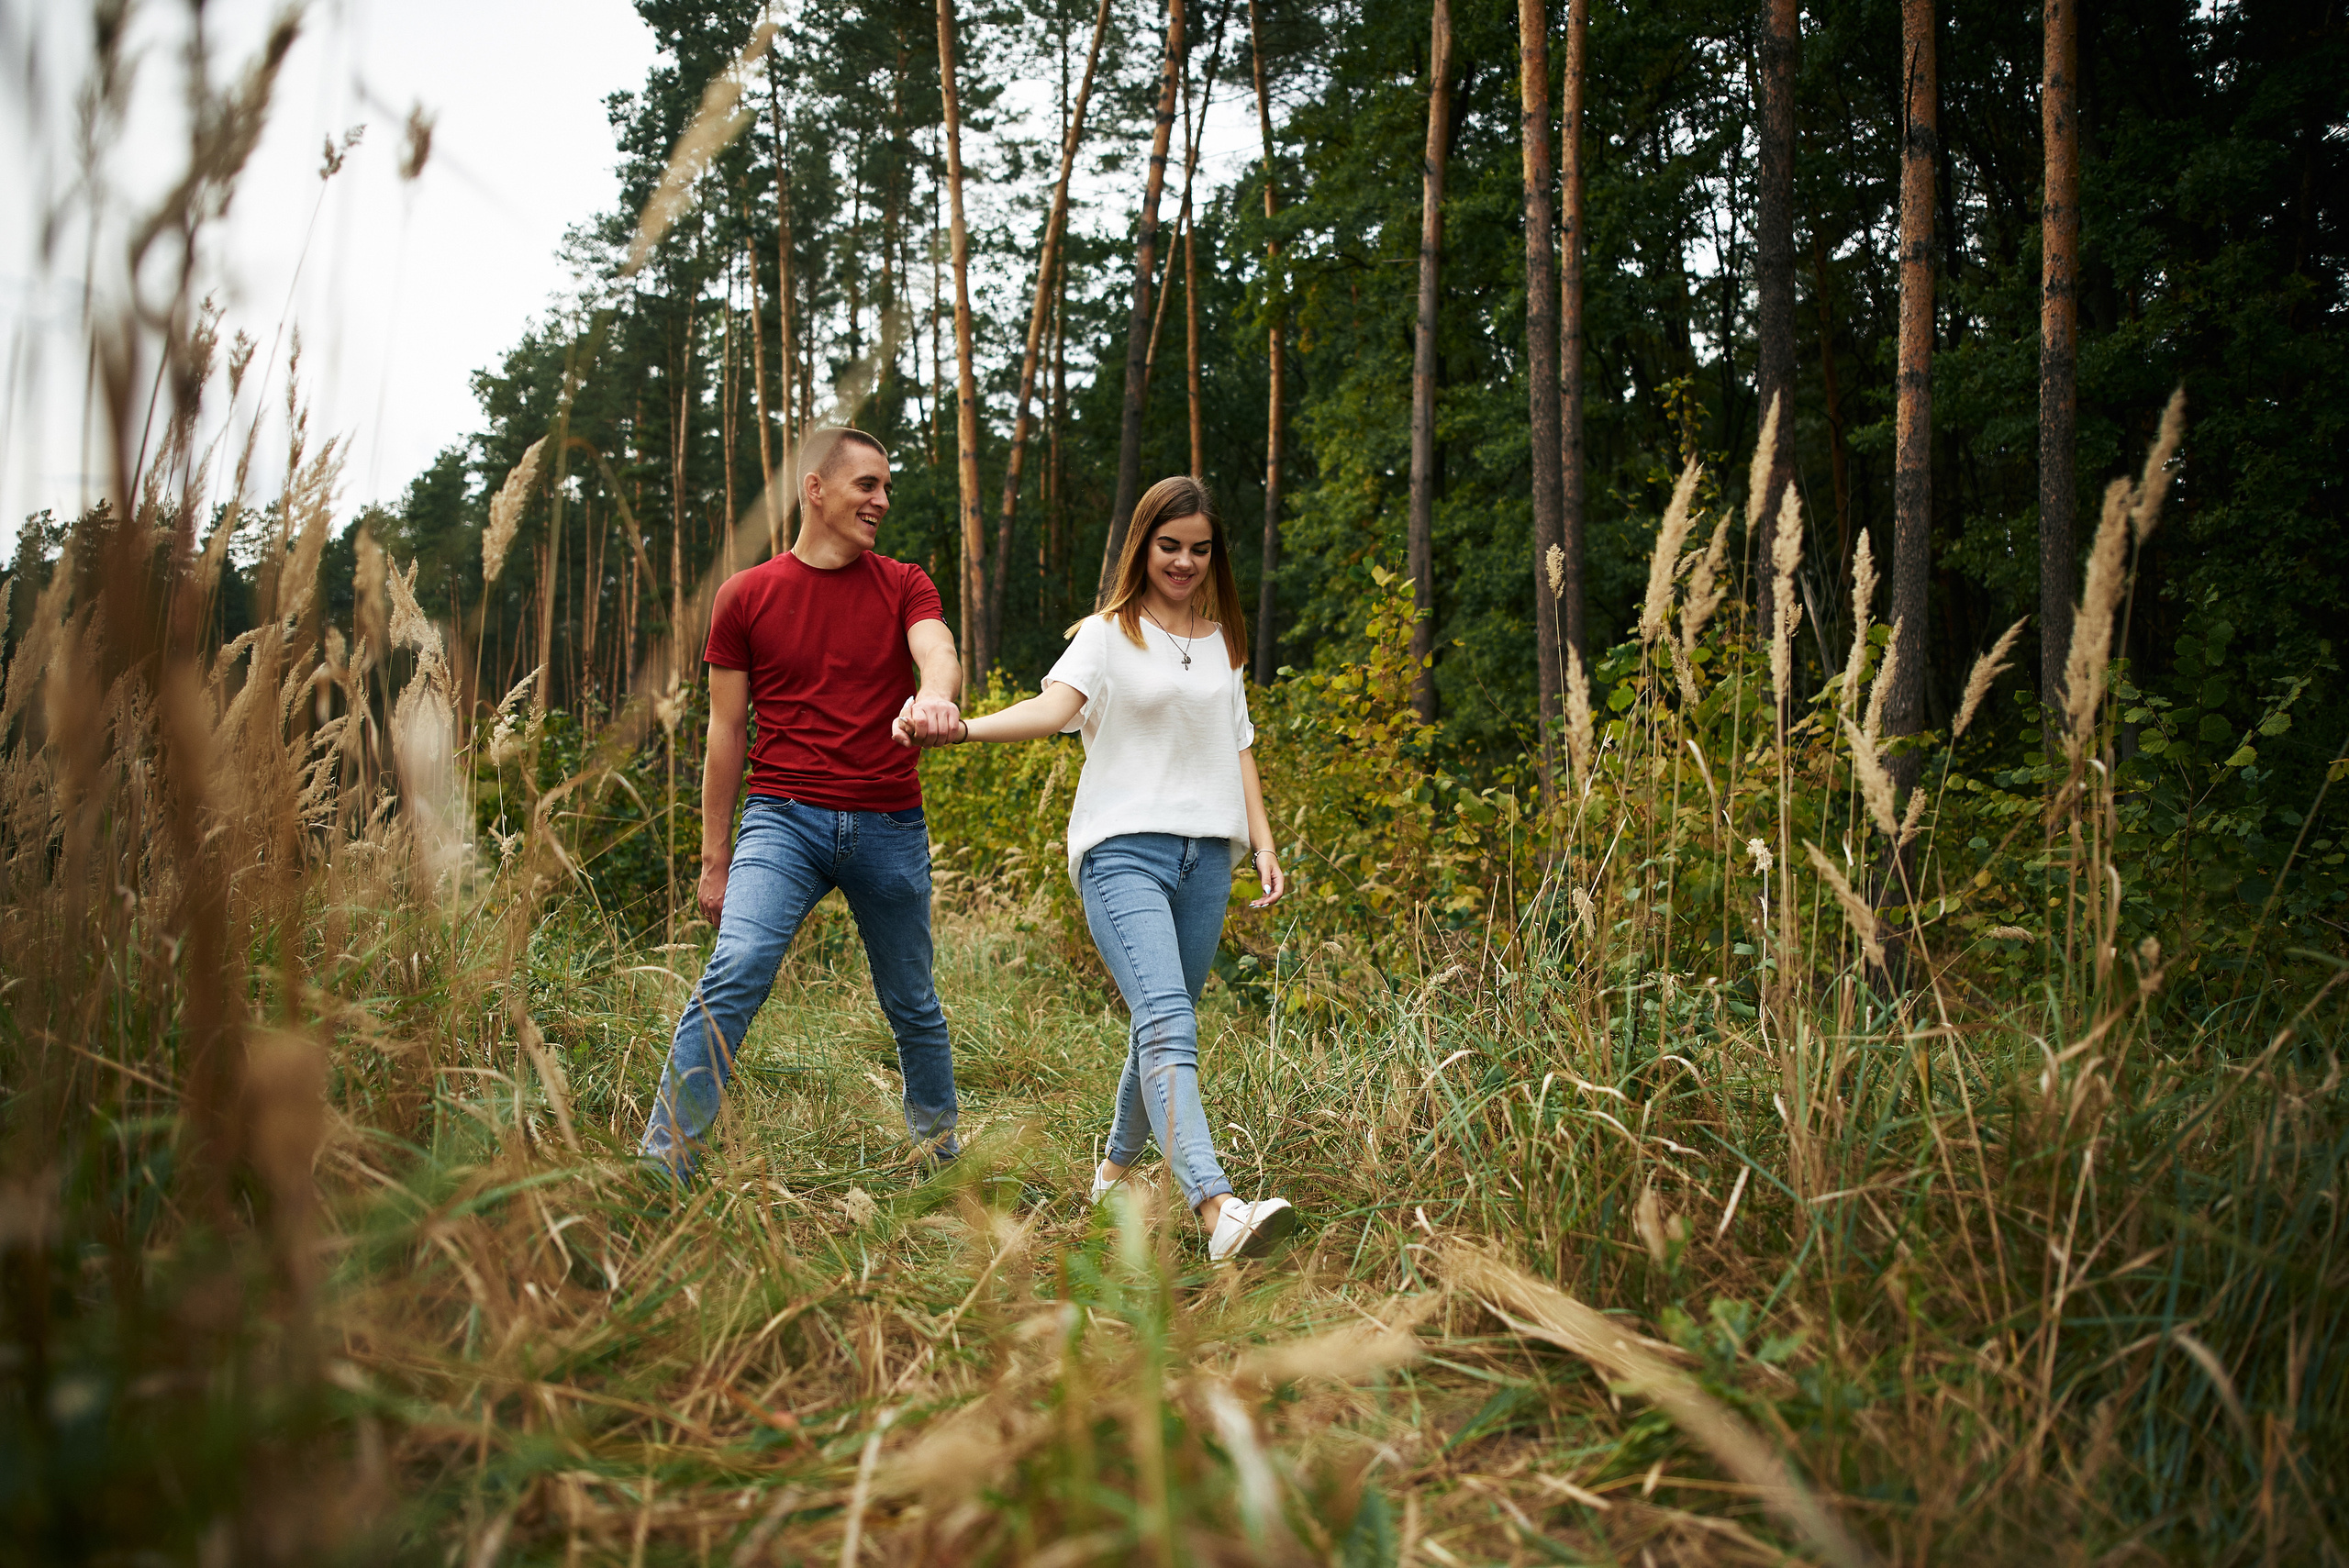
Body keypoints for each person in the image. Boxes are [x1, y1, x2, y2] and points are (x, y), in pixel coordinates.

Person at [897, 475, 1298, 1262]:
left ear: (1214, 555)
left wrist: (1264, 842)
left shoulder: (1223, 642)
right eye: (1168, 546)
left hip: (1206, 858)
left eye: (1199, 549)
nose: (1182, 562)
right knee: (1169, 1021)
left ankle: (1114, 1170)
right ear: (1144, 544)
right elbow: (1053, 711)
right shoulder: (1108, 633)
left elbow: (1239, 742)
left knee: (1160, 1022)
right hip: (1122, 855)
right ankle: (1216, 1209)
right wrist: (962, 729)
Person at [640, 427, 964, 1180]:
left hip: (889, 821)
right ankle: (666, 1163)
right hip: (782, 821)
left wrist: (935, 698)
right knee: (738, 965)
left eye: (887, 487)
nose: (882, 500)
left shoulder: (904, 582)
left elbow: (936, 650)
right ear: (814, 489)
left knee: (912, 998)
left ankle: (943, 1160)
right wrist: (714, 860)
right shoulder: (746, 595)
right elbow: (724, 733)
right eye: (867, 485)